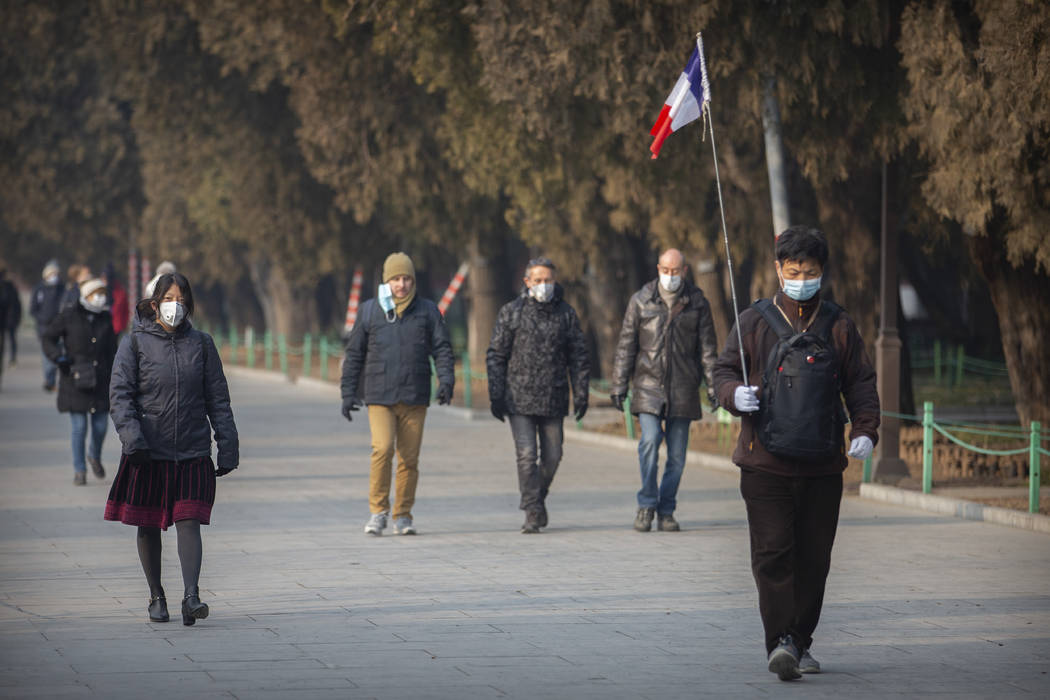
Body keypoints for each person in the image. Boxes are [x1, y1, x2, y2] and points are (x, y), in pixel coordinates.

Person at [712, 225, 879, 681]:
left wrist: (866, 429)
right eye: (793, 270)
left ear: (823, 272)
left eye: (810, 271)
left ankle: (800, 640)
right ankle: (780, 641)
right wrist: (733, 394)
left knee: (814, 557)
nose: (801, 277)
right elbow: (724, 370)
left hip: (823, 464)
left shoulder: (839, 324)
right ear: (778, 269)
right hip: (763, 461)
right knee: (772, 553)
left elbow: (861, 382)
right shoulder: (753, 321)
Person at [105, 272, 239, 626]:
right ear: (155, 304)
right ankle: (156, 595)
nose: (175, 307)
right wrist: (133, 439)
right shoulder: (134, 344)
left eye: (182, 301)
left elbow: (218, 399)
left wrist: (228, 444)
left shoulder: (202, 344)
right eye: (170, 300)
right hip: (148, 450)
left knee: (189, 519)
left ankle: (191, 596)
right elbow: (120, 397)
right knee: (148, 524)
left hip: (192, 449)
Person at [340, 252, 454, 536]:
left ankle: (403, 514)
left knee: (409, 459)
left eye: (406, 278)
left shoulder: (428, 310)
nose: (401, 284)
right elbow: (355, 353)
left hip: (414, 395)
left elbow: (441, 348)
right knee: (382, 449)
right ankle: (378, 511)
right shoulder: (369, 310)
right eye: (396, 279)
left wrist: (447, 380)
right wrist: (348, 392)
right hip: (379, 394)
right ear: (386, 281)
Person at [610, 248, 719, 533]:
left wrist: (713, 385)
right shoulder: (640, 301)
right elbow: (626, 345)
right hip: (648, 386)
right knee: (649, 442)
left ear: (685, 271)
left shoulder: (697, 303)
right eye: (665, 270)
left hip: (683, 387)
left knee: (678, 456)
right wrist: (619, 384)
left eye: (676, 271)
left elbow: (708, 349)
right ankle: (646, 504)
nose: (670, 276)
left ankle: (666, 509)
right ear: (658, 268)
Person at [486, 257, 589, 533]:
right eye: (538, 280)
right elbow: (496, 355)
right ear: (527, 282)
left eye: (549, 280)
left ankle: (536, 497)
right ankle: (532, 510)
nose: (544, 286)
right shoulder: (512, 312)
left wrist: (580, 392)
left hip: (553, 397)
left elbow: (578, 356)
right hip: (518, 398)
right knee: (526, 454)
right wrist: (496, 394)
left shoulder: (565, 314)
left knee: (553, 455)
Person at [41, 278, 118, 485]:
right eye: (96, 294)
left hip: (101, 379)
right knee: (79, 427)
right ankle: (79, 469)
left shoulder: (105, 318)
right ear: (86, 296)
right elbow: (48, 338)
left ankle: (94, 454)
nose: (101, 298)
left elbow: (113, 349)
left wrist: (118, 374)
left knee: (101, 426)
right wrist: (58, 357)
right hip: (75, 378)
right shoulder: (69, 315)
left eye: (103, 294)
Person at [30, 260, 65, 391]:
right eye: (52, 274)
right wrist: (42, 318)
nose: (54, 276)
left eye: (56, 273)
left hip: (59, 327)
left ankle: (53, 380)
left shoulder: (62, 288)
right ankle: (49, 380)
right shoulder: (39, 289)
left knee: (58, 353)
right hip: (44, 328)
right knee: (47, 354)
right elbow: (33, 309)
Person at [102, 262, 129, 336]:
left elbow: (125, 311)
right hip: (103, 328)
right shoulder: (100, 291)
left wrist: (124, 325)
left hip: (117, 328)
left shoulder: (120, 292)